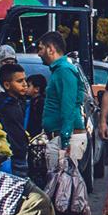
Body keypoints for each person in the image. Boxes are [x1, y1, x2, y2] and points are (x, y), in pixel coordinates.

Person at [37, 31, 90, 162]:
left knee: (64, 180)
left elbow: (68, 106)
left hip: (65, 139)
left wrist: (65, 142)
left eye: (40, 48)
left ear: (50, 49)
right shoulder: (60, 70)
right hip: (62, 137)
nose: (38, 53)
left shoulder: (64, 70)